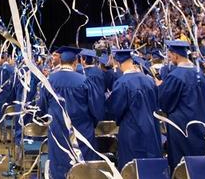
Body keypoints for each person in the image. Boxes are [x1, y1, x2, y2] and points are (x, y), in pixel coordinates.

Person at [37, 46, 103, 179]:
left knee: (59, 166)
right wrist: (92, 124)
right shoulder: (84, 81)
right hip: (82, 133)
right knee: (82, 168)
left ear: (60, 61)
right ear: (76, 62)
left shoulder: (49, 81)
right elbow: (96, 109)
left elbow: (41, 109)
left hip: (57, 133)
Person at [157, 40, 205, 171]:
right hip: (202, 124)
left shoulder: (175, 76)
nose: (169, 58)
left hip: (182, 128)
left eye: (170, 55)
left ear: (175, 55)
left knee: (184, 165)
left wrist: (161, 87)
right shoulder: (200, 74)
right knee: (202, 162)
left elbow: (165, 103)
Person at [106, 49, 162, 169]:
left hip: (131, 129)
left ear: (118, 63)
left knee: (133, 166)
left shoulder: (121, 83)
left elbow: (116, 109)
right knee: (151, 166)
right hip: (152, 127)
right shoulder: (149, 80)